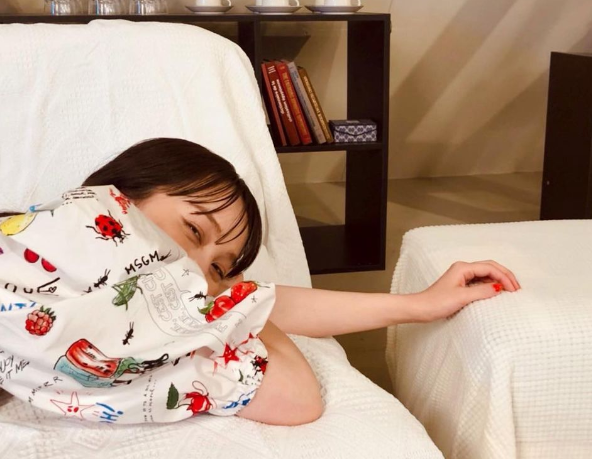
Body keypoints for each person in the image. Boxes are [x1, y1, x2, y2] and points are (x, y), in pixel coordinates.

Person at [0, 137, 520, 427]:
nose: (196, 265)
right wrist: (235, 301)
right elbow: (295, 394)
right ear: (121, 195)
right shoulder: (82, 226)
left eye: (219, 266)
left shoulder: (154, 311)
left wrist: (417, 305)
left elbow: (274, 329)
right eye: (193, 230)